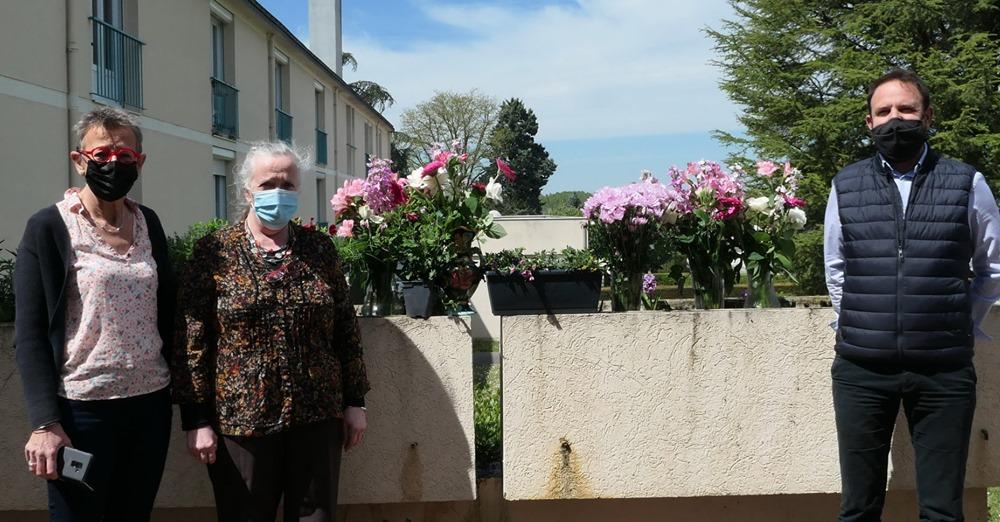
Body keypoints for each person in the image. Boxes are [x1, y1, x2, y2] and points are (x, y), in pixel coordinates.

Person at [824, 69, 1000, 521]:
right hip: (862, 370)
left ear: (927, 117)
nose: (894, 119)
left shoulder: (966, 182)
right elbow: (837, 268)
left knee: (942, 510)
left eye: (906, 109)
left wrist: (962, 320)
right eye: (883, 111)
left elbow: (992, 267)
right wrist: (862, 321)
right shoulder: (846, 185)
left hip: (943, 371)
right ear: (869, 122)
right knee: (858, 508)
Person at [172, 141, 370, 521]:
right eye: (267, 184)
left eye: (288, 184)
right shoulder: (214, 251)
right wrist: (195, 419)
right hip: (242, 422)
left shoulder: (319, 249)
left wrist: (355, 401)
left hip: (317, 415)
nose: (278, 192)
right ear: (247, 191)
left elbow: (345, 328)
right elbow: (191, 340)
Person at [14, 107, 175, 520]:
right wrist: (44, 422)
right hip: (82, 413)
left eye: (125, 157)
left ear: (140, 162)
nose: (113, 165)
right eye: (101, 154)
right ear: (79, 160)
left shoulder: (148, 223)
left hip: (149, 408)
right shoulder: (49, 226)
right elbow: (30, 333)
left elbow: (169, 311)